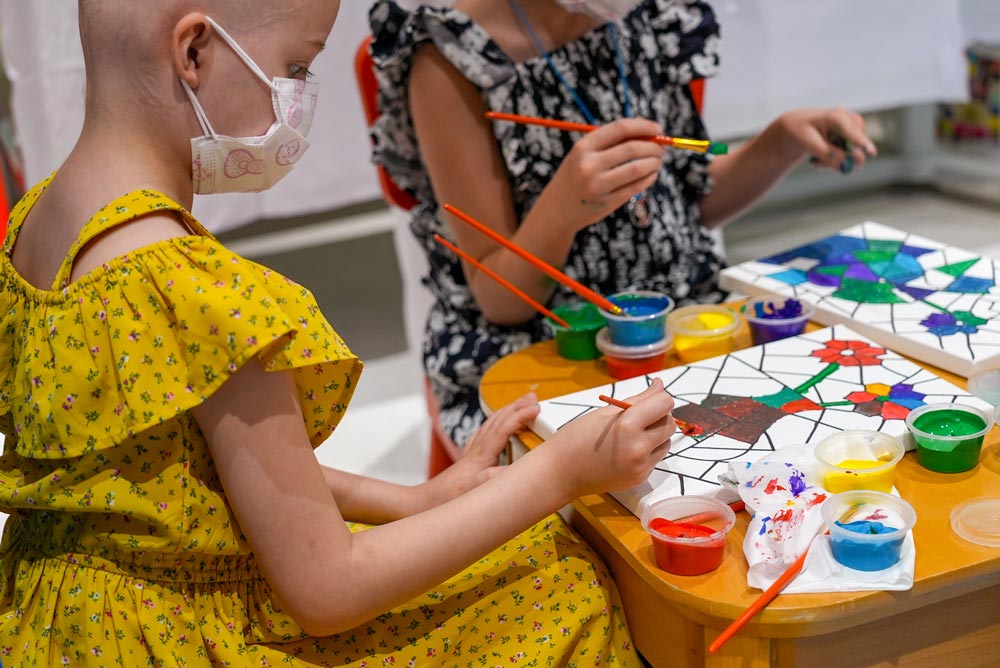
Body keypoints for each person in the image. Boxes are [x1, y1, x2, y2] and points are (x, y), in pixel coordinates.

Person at [0, 1, 678, 665]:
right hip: (181, 633)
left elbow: (183, 475)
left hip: (60, 622)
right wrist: (559, 472)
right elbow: (330, 589)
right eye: (296, 66)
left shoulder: (39, 222)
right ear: (194, 51)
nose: (300, 97)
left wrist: (415, 500)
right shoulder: (195, 292)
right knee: (564, 587)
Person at [369, 0, 878, 447]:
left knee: (821, 424)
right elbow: (500, 299)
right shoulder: (451, 58)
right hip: (547, 348)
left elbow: (690, 204)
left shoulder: (644, 15)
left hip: (678, 321)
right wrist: (562, 208)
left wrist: (781, 141)